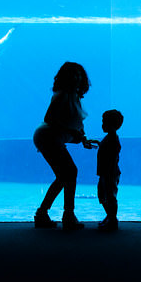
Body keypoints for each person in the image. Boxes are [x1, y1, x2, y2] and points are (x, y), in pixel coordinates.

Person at [33, 62, 97, 231]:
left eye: (78, 74)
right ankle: (67, 215)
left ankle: (44, 214)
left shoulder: (73, 96)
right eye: (72, 74)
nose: (76, 77)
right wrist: (73, 133)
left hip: (53, 138)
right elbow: (51, 120)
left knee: (65, 175)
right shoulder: (62, 95)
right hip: (48, 137)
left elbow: (76, 123)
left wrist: (82, 138)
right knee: (69, 173)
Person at [96, 109, 123, 232]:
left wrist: (108, 173)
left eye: (104, 122)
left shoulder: (112, 138)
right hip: (105, 173)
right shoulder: (109, 137)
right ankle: (110, 216)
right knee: (102, 195)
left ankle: (112, 219)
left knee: (110, 196)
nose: (102, 125)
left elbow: (112, 157)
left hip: (109, 173)